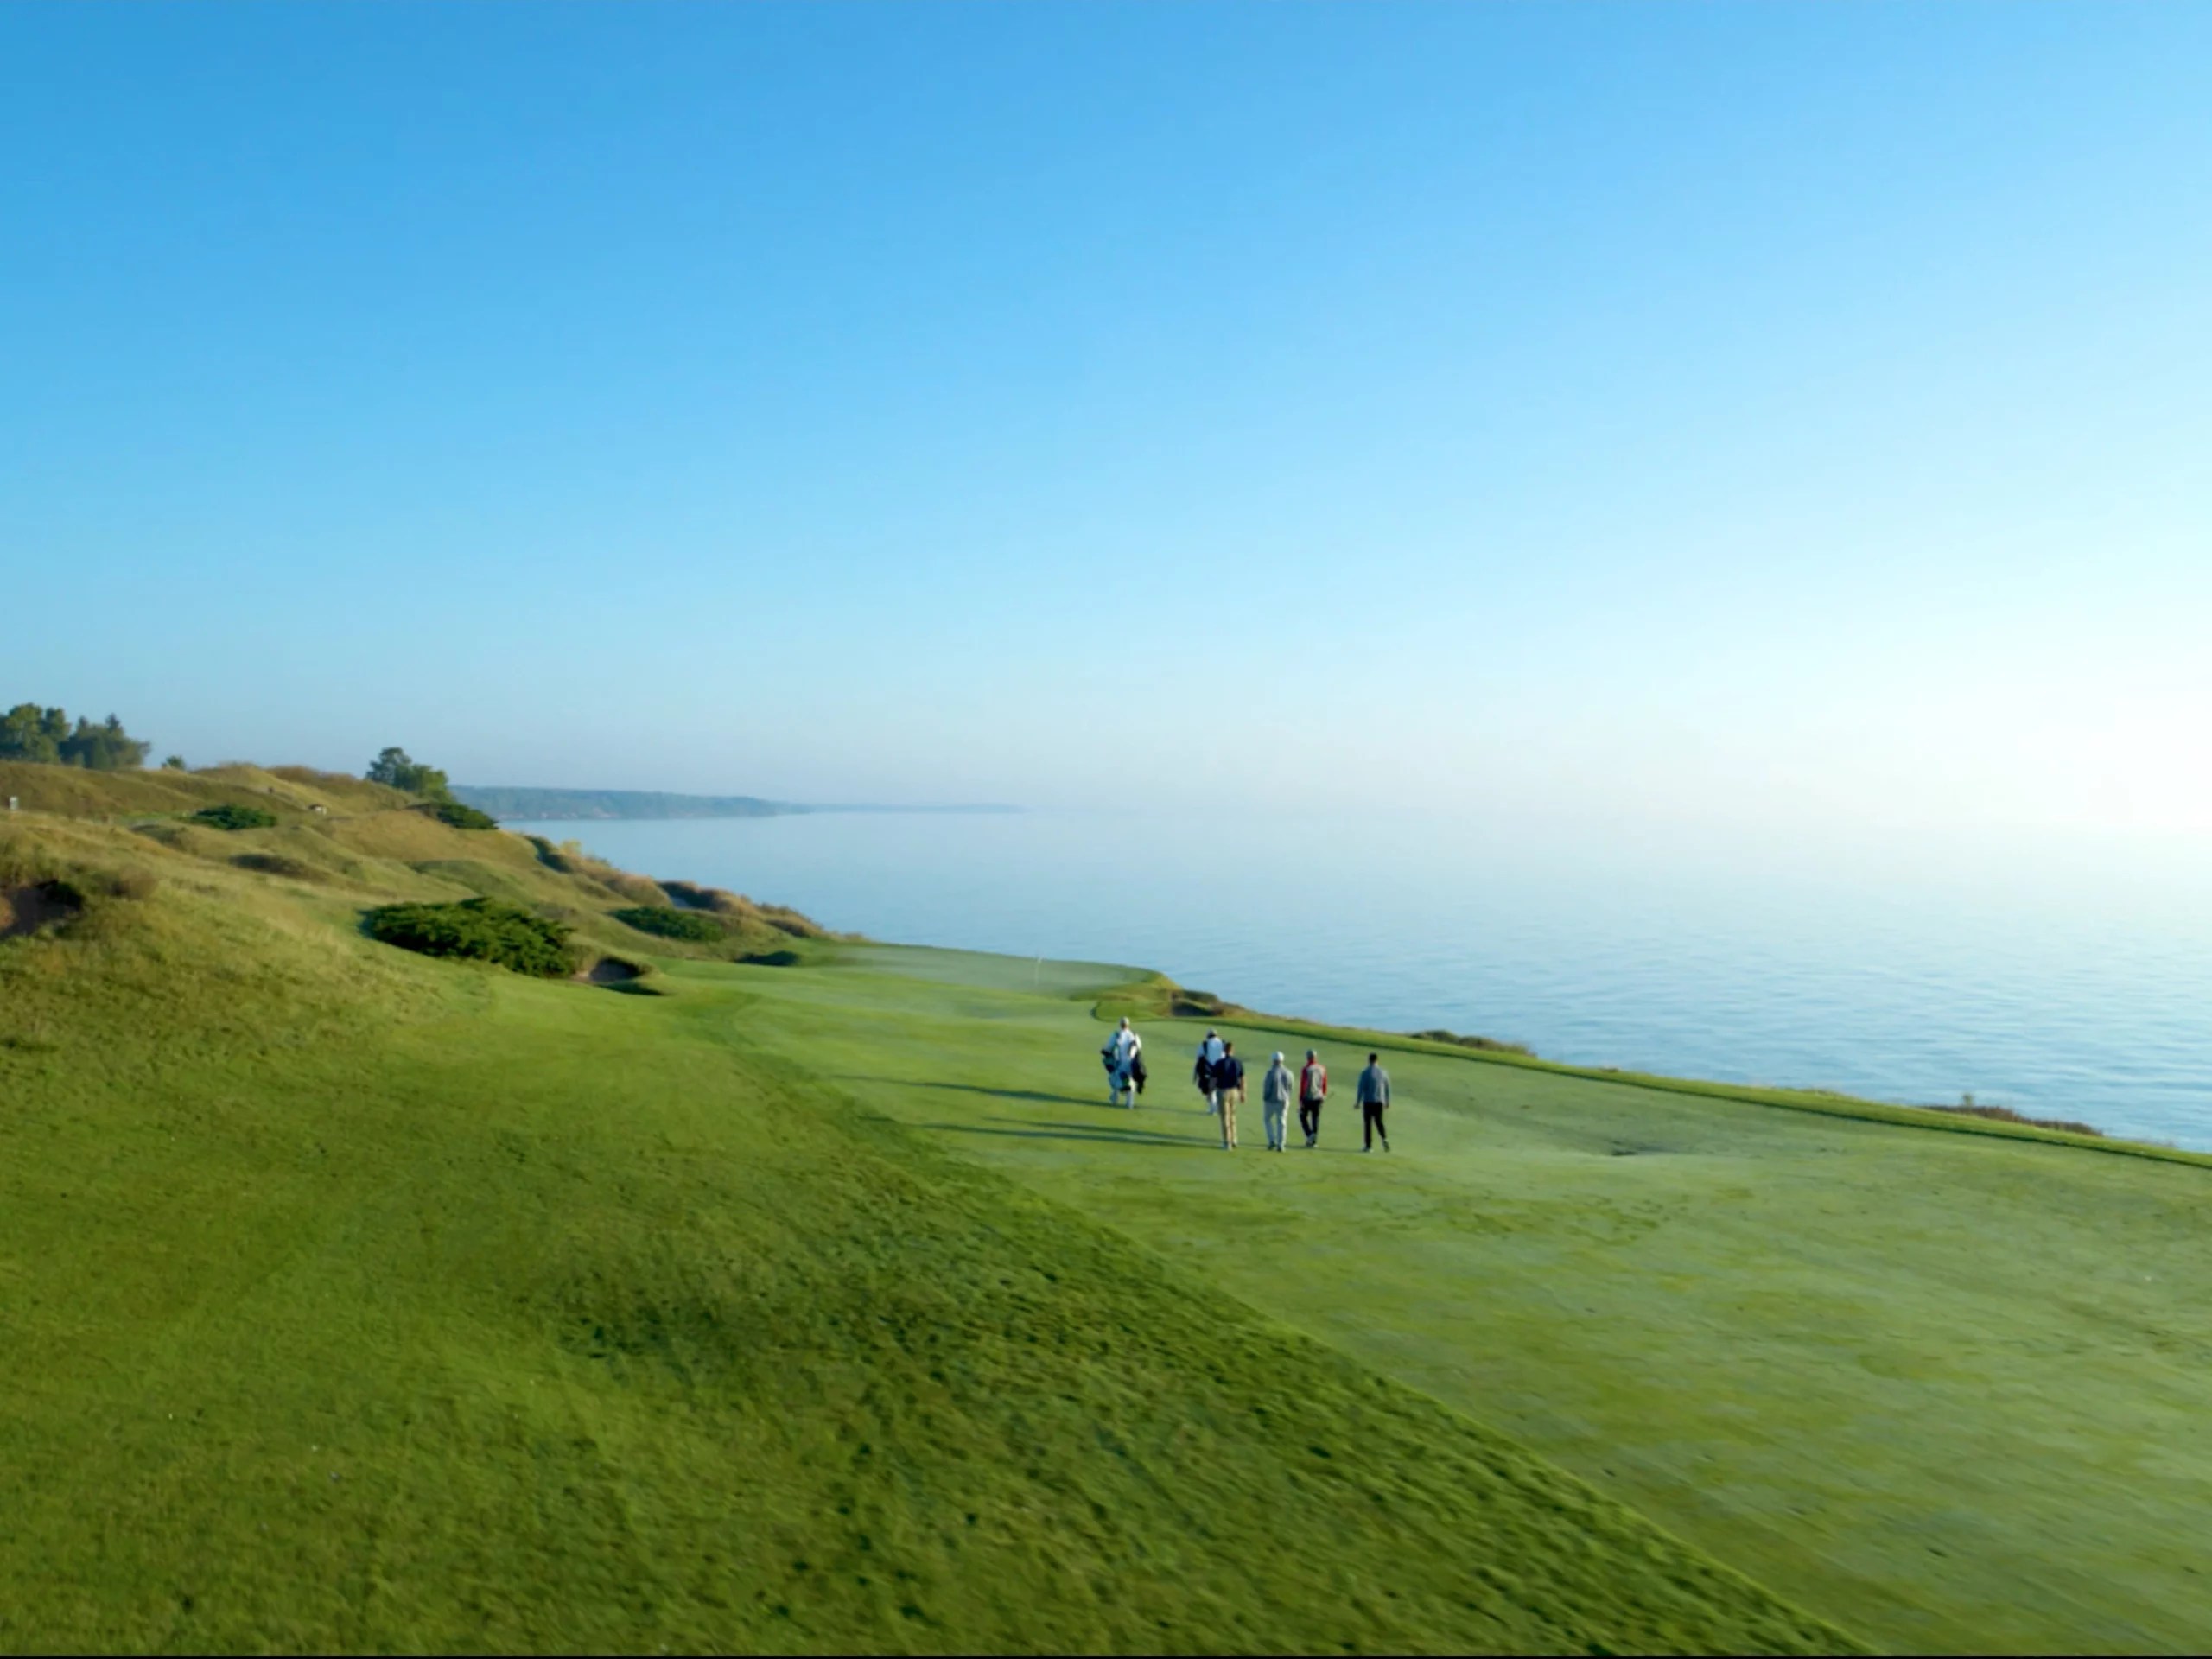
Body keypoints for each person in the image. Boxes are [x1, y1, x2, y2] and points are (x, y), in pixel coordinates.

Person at [1102, 1017, 1142, 1109]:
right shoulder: (1134, 1035)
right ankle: (1129, 1104)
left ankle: (1114, 1099)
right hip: (1132, 1063)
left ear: (1120, 1024)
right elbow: (1139, 1047)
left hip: (1120, 1062)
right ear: (1128, 1025)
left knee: (1116, 1078)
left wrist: (1105, 1051)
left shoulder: (1116, 1035)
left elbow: (1108, 1047)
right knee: (1130, 1082)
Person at [1356, 1051, 1391, 1153]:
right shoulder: (1383, 1072)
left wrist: (1358, 1102)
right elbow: (1387, 1087)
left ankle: (1368, 1146)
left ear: (1369, 1060)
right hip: (1380, 1101)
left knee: (1368, 1124)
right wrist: (1387, 1101)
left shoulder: (1365, 1072)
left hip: (1368, 1101)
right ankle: (1384, 1138)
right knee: (1379, 1122)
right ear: (1377, 1060)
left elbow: (1361, 1088)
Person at [1261, 1051, 1296, 1152]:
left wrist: (1265, 1097)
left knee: (1267, 1119)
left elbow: (1267, 1087)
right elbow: (1291, 1087)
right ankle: (1281, 1144)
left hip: (1271, 1100)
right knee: (1282, 1122)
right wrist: (1288, 1097)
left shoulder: (1271, 1073)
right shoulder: (1289, 1072)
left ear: (1273, 1061)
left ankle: (1272, 1140)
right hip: (1284, 1100)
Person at [1213, 1039, 1246, 1149]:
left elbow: (1214, 1079)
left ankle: (1227, 1142)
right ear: (1232, 1050)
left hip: (1223, 1091)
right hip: (1234, 1092)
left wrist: (1209, 1090)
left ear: (1224, 1050)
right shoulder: (1238, 1063)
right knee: (1233, 1116)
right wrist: (1243, 1093)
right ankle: (1234, 1139)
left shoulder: (1219, 1063)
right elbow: (1242, 1079)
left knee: (1225, 1117)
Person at [1297, 1048, 1329, 1147]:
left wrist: (1300, 1099)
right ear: (1315, 1057)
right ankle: (1313, 1141)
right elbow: (1324, 1083)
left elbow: (1303, 1085)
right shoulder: (1322, 1068)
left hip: (1307, 1097)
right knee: (1315, 1119)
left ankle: (1310, 1135)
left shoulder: (1306, 1069)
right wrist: (1324, 1094)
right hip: (1318, 1097)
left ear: (1307, 1057)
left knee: (1302, 1117)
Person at [1194, 1028, 1226, 1114]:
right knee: (1220, 1090)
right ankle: (1219, 1108)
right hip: (1222, 1069)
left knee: (1211, 1090)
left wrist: (1196, 1073)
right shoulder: (1223, 1043)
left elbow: (1199, 1057)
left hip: (1209, 1070)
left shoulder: (1205, 1044)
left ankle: (1213, 1109)